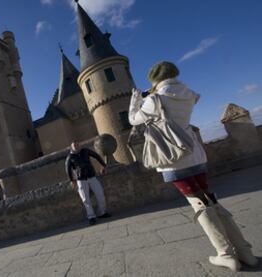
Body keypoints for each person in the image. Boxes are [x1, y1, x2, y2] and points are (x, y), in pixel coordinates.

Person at [128, 61, 257, 272]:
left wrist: (135, 100)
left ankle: (226, 254)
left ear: (155, 79)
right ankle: (245, 252)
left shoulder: (155, 99)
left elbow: (134, 120)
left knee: (199, 204)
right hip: (195, 154)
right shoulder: (187, 93)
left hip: (174, 159)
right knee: (210, 199)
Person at [65, 141, 111, 225]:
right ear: (71, 147)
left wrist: (103, 165)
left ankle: (102, 212)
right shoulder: (70, 157)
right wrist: (72, 180)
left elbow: (96, 156)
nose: (76, 146)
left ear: (80, 145)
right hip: (81, 179)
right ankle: (91, 216)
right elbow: (68, 169)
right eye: (74, 145)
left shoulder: (85, 151)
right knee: (85, 199)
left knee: (100, 193)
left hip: (91, 176)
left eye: (77, 144)